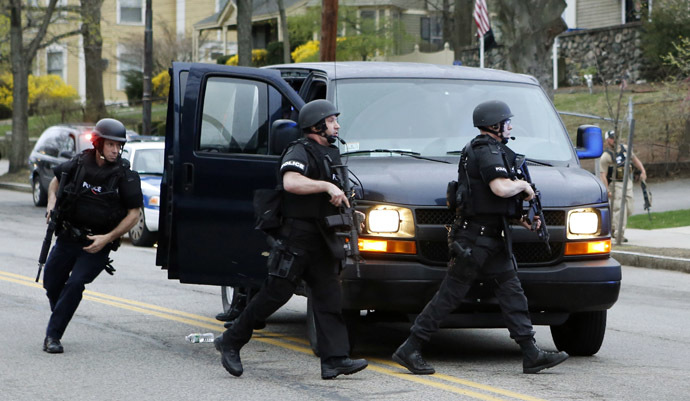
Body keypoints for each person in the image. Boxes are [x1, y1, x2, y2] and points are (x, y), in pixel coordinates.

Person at [392, 100, 569, 375]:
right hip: (475, 240)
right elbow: (498, 188)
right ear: (494, 125)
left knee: (512, 292)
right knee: (450, 295)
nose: (510, 126)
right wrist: (524, 186)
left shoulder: (494, 149)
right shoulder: (484, 149)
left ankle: (530, 352)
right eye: (506, 121)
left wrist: (520, 218)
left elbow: (487, 200)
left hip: (491, 237)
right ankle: (411, 347)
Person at [214, 99, 368, 380]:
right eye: (332, 121)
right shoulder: (299, 150)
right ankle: (231, 340)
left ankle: (334, 359)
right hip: (297, 237)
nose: (337, 126)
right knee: (276, 294)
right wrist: (325, 185)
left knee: (329, 296)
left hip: (323, 237)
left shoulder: (329, 153)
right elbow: (291, 182)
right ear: (317, 125)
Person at [41, 118, 142, 354]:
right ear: (98, 143)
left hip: (97, 243)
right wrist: (51, 203)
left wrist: (106, 238)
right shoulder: (80, 162)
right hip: (68, 235)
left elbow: (134, 214)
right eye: (111, 145)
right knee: (51, 281)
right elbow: (55, 182)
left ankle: (53, 336)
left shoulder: (123, 175)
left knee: (75, 284)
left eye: (119, 146)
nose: (116, 150)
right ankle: (62, 313)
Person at [599, 130, 647, 242]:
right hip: (615, 184)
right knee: (619, 208)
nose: (614, 139)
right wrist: (607, 190)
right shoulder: (606, 156)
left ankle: (613, 227)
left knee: (629, 208)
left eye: (615, 137)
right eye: (611, 138)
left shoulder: (625, 149)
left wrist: (642, 171)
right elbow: (603, 175)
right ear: (607, 140)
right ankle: (619, 234)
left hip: (627, 182)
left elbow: (635, 160)